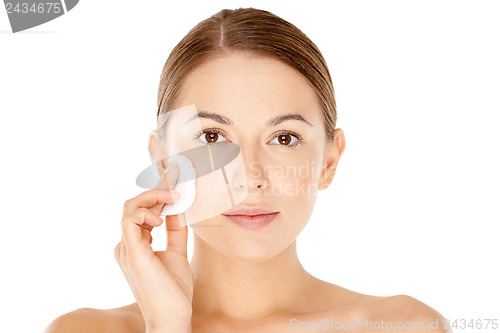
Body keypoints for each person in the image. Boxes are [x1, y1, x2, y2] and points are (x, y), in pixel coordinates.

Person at [45, 7, 451, 333]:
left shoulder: (404, 327)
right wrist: (167, 325)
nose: (249, 177)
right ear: (164, 160)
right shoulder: (81, 330)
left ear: (329, 160)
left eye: (285, 138)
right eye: (212, 138)